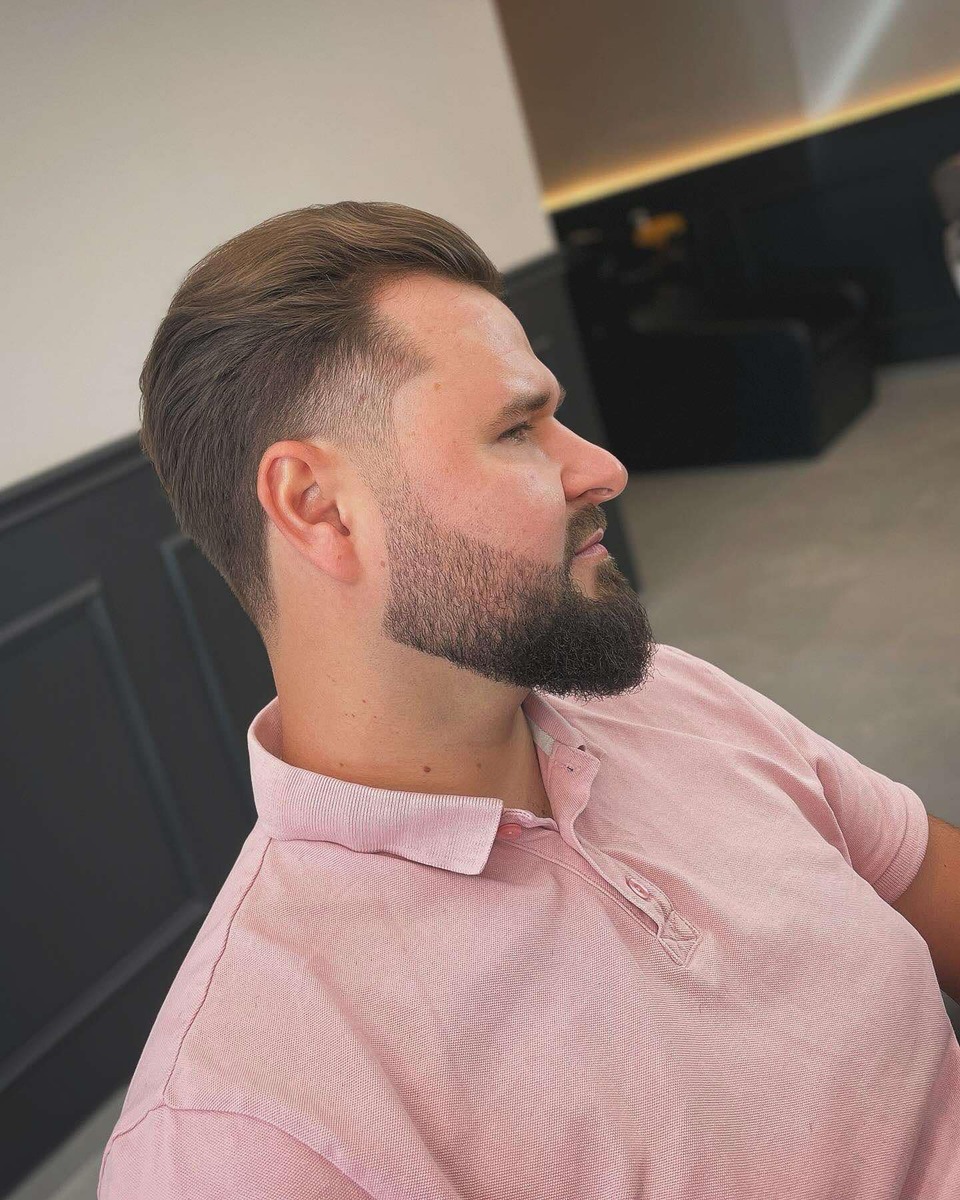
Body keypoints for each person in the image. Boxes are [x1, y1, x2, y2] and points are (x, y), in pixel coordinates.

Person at [99, 202, 959, 1199]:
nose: (603, 467)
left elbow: (927, 880)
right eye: (516, 429)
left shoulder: (666, 693)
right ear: (318, 507)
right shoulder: (242, 1130)